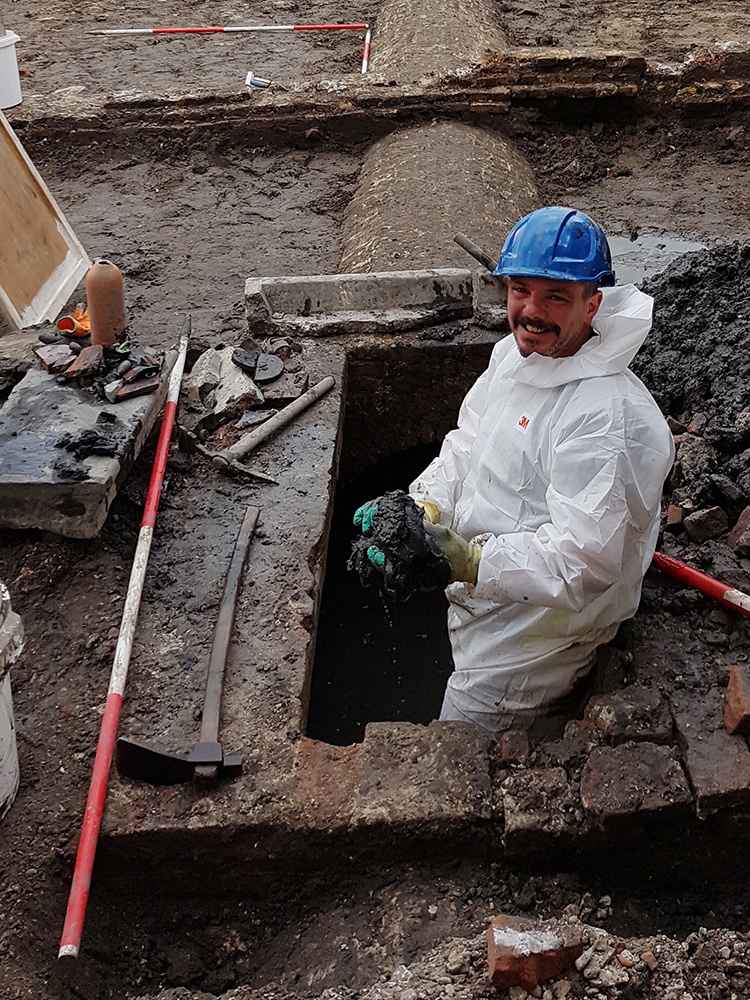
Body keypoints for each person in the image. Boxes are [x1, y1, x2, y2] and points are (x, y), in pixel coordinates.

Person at [353, 206, 675, 738]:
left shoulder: (604, 417)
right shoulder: (514, 357)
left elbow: (584, 560)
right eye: (520, 289)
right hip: (489, 602)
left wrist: (471, 559)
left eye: (555, 296)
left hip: (536, 643)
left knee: (461, 756)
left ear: (592, 304)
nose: (531, 310)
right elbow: (466, 446)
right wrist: (424, 505)